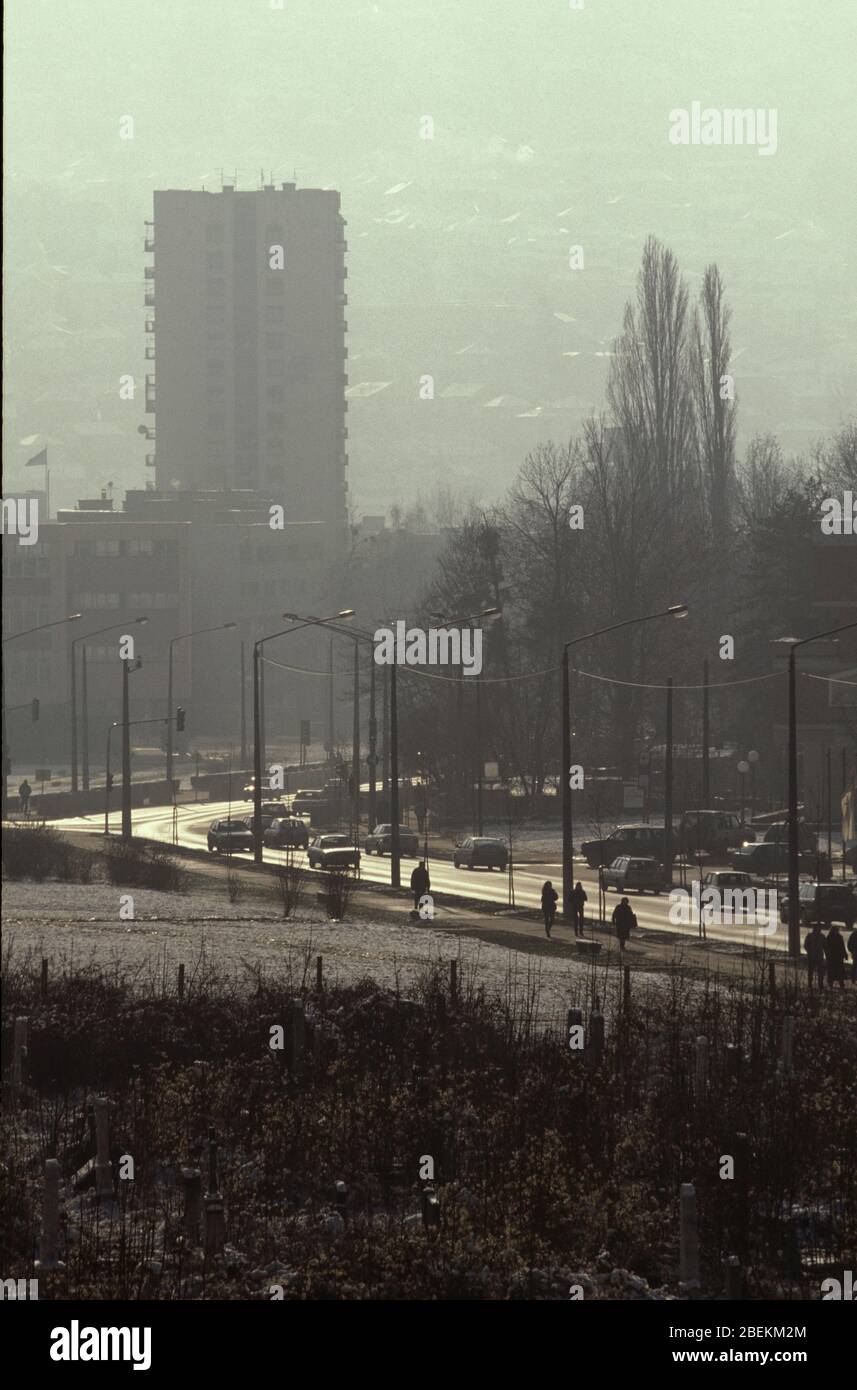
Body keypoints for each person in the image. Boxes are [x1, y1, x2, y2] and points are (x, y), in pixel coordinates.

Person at [824, 922, 847, 989]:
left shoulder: (840, 937)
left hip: (839, 956)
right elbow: (826, 947)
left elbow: (842, 946)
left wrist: (845, 954)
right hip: (832, 957)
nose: (836, 931)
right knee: (831, 970)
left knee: (840, 970)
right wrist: (827, 955)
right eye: (835, 930)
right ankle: (830, 983)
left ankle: (841, 983)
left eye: (837, 930)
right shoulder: (829, 937)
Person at [804, 923, 826, 990]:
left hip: (819, 956)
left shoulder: (822, 936)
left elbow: (825, 946)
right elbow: (806, 945)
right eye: (815, 929)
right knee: (811, 971)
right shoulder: (809, 936)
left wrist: (827, 954)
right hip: (811, 956)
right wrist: (809, 951)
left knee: (820, 971)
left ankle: (820, 984)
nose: (817, 930)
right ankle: (810, 983)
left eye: (818, 929)